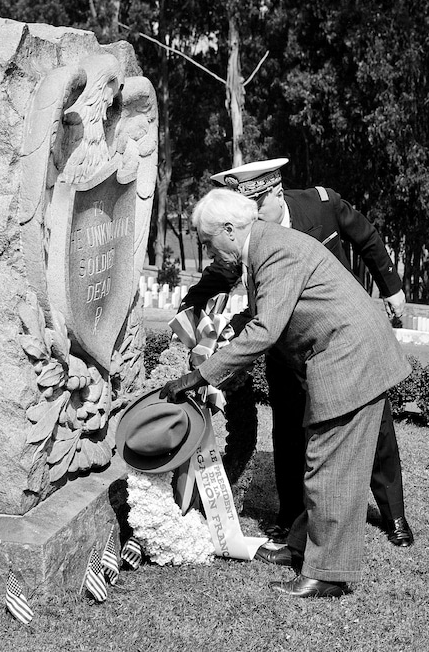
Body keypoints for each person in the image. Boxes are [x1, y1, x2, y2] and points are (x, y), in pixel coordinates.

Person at [160, 189, 412, 598]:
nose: (209, 253)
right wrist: (224, 333)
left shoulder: (273, 250)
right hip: (347, 352)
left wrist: (203, 375)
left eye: (208, 242)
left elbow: (267, 330)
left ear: (228, 231)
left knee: (328, 462)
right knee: (324, 455)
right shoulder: (265, 244)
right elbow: (263, 311)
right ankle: (301, 546)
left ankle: (327, 573)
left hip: (350, 356)